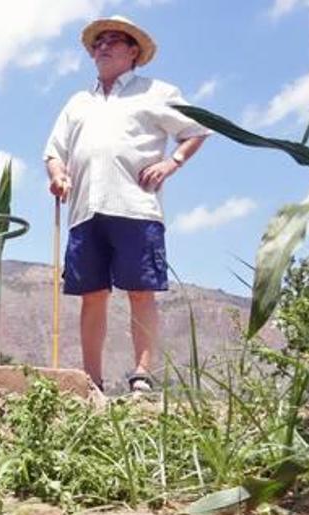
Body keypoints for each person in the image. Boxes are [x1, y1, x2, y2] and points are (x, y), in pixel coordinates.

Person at [43, 15, 210, 393]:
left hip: (135, 205)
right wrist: (57, 175)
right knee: (92, 294)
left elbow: (197, 129)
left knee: (140, 290)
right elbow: (54, 151)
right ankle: (91, 381)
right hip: (85, 209)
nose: (103, 46)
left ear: (133, 51)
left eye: (114, 40)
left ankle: (142, 376)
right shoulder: (78, 102)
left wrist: (172, 163)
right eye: (98, 42)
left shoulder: (157, 92)